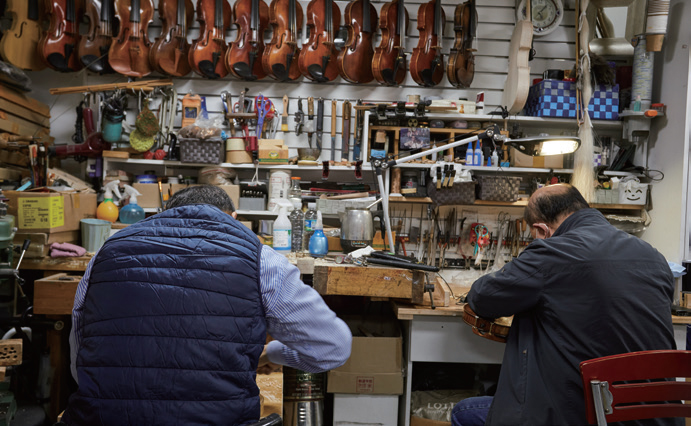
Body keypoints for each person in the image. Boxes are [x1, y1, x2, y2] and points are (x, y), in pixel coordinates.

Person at [62, 185, 352, 426]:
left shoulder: (107, 251)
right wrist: (272, 353)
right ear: (234, 218)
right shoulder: (261, 260)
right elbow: (332, 348)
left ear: (164, 214)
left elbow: (80, 354)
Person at [452, 184, 679, 426]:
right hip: (654, 417)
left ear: (541, 229)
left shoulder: (554, 251)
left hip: (585, 414)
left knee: (464, 413)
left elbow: (485, 296)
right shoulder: (654, 257)